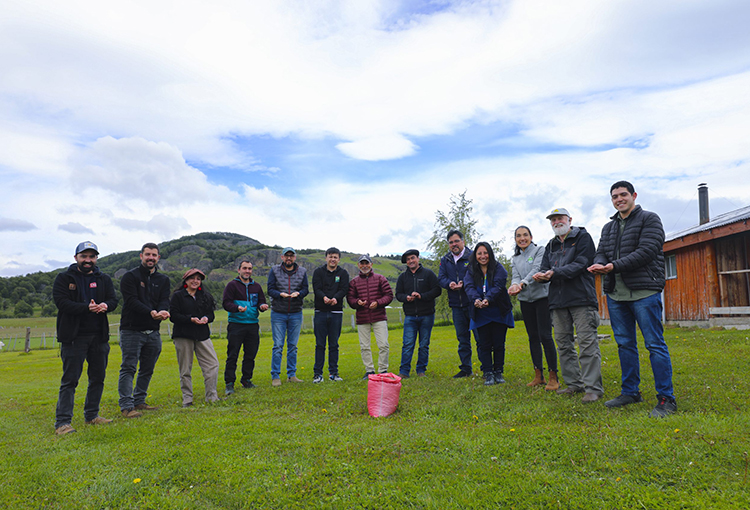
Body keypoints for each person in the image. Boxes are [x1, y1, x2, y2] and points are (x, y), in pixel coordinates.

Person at [588, 181, 676, 417]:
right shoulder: (608, 228)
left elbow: (647, 251)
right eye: (614, 196)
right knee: (625, 345)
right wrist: (600, 263)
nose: (619, 199)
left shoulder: (650, 219)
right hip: (616, 295)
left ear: (633, 195)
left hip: (644, 292)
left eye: (623, 195)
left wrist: (612, 266)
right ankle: (630, 392)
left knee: (654, 345)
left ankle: (666, 399)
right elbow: (601, 251)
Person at [533, 208, 603, 403]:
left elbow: (581, 263)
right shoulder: (551, 245)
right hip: (557, 301)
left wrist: (553, 273)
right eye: (553, 220)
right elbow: (544, 268)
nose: (556, 222)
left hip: (581, 299)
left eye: (560, 218)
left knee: (587, 344)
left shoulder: (583, 238)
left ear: (569, 220)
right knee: (563, 345)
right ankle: (574, 384)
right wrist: (541, 276)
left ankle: (593, 388)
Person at [52, 241, 118, 435]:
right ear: (76, 258)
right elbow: (62, 303)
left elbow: (114, 300)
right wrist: (86, 307)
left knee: (98, 378)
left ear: (96, 258)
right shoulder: (64, 278)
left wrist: (105, 305)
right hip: (74, 338)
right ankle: (62, 423)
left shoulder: (104, 279)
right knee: (70, 380)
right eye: (84, 256)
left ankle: (92, 415)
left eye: (92, 256)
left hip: (99, 337)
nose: (88, 260)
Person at [118, 242, 170, 418]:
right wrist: (151, 312)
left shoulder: (163, 280)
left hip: (153, 332)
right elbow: (131, 301)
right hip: (132, 330)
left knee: (148, 368)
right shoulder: (130, 277)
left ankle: (139, 400)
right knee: (129, 367)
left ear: (158, 258)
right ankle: (126, 406)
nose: (151, 258)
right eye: (148, 254)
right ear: (141, 256)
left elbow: (164, 300)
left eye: (154, 255)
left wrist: (162, 311)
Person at [508, 226, 559, 391]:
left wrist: (522, 283)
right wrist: (514, 286)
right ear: (515, 239)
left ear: (531, 236)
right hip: (525, 300)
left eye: (525, 235)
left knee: (545, 336)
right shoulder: (515, 258)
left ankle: (553, 376)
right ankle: (539, 375)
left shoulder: (540, 250)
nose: (522, 238)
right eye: (518, 236)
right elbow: (515, 276)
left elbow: (538, 269)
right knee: (532, 337)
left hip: (541, 298)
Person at [463, 242, 514, 385]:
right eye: (479, 253)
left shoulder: (499, 269)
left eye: (485, 253)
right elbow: (468, 286)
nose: (482, 256)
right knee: (484, 344)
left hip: (498, 311)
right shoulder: (471, 270)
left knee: (498, 343)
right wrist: (476, 299)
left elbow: (499, 286)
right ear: (475, 255)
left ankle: (498, 371)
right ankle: (488, 372)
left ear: (490, 254)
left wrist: (488, 299)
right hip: (480, 312)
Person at [169, 268, 220, 407]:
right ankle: (187, 399)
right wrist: (190, 319)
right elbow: (173, 316)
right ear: (186, 280)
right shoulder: (178, 296)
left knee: (213, 364)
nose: (195, 281)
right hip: (183, 335)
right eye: (192, 278)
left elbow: (211, 315)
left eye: (198, 279)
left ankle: (211, 396)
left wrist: (205, 318)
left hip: (202, 335)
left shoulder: (205, 296)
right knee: (185, 369)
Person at [222, 259, 268, 394]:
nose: (247, 271)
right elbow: (226, 303)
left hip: (253, 325)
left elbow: (261, 302)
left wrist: (262, 306)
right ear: (239, 270)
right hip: (236, 325)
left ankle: (246, 380)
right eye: (245, 268)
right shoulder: (232, 285)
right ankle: (229, 383)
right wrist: (237, 308)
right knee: (233, 355)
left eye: (249, 269)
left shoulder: (257, 286)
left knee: (250, 355)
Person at [395, 249, 441, 378]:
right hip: (410, 316)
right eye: (408, 259)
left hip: (427, 315)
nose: (411, 261)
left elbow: (437, 290)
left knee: (424, 345)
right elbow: (398, 294)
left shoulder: (428, 274)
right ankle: (404, 372)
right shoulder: (402, 277)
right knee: (408, 344)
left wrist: (422, 296)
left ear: (418, 259)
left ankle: (421, 370)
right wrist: (406, 298)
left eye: (413, 258)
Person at [267, 247, 309, 387]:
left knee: (293, 346)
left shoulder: (302, 271)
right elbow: (270, 289)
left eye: (291, 256)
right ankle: (275, 376)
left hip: (296, 312)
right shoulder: (274, 270)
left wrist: (299, 294)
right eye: (286, 256)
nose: (289, 258)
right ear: (282, 257)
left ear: (295, 257)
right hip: (278, 312)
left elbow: (305, 289)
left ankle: (291, 375)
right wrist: (280, 294)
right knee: (278, 345)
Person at [347, 254, 394, 379]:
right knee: (364, 346)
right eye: (362, 263)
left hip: (379, 316)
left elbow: (389, 295)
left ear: (371, 264)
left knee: (383, 344)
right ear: (358, 265)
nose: (364, 266)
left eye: (366, 263)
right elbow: (350, 299)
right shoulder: (354, 282)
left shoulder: (380, 278)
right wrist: (357, 302)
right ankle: (369, 371)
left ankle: (383, 370)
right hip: (362, 318)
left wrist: (378, 303)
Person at [438, 230, 476, 378]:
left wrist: (465, 283)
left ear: (463, 241)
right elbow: (441, 278)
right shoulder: (445, 259)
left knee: (480, 337)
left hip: (472, 303)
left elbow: (477, 275)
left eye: (456, 241)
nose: (454, 244)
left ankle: (487, 368)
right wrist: (450, 284)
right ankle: (466, 369)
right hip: (456, 304)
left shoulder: (473, 256)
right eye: (451, 242)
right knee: (462, 339)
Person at [312, 247, 350, 383]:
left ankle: (334, 373)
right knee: (320, 344)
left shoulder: (343, 273)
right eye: (330, 256)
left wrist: (335, 298)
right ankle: (318, 374)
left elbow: (344, 289)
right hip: (320, 312)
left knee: (334, 344)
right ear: (326, 258)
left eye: (335, 257)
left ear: (339, 259)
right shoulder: (318, 272)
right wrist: (324, 297)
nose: (332, 259)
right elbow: (317, 288)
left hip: (336, 312)